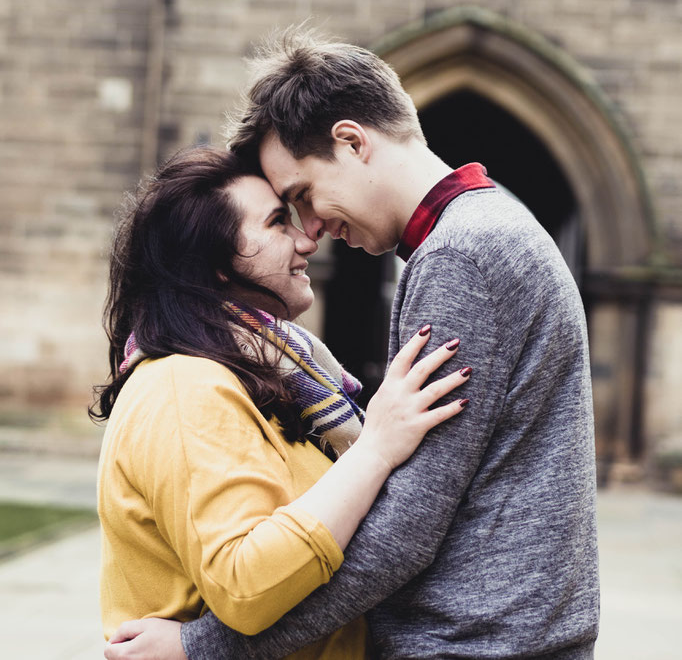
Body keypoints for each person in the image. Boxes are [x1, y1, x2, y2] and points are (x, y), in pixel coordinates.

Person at [108, 28, 599, 660]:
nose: (313, 230)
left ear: (351, 141)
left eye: (302, 197)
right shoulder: (485, 233)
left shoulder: (460, 257)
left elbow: (407, 525)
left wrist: (204, 645)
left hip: (471, 644)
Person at [95, 145, 470, 660]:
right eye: (277, 223)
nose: (306, 240)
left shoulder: (268, 376)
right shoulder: (186, 386)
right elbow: (246, 585)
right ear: (213, 265)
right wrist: (376, 449)